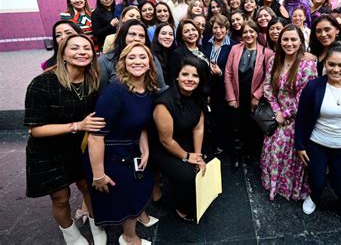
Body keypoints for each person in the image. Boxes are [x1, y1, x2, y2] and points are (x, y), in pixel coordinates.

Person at [25, 33, 107, 244]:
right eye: (75, 48)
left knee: (88, 188)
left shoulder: (93, 80)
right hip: (47, 151)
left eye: (86, 48)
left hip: (78, 148)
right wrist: (78, 126)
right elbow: (36, 130)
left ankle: (96, 225)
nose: (81, 52)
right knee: (61, 198)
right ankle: (70, 235)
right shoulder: (43, 83)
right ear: (63, 54)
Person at [85, 42, 159, 244]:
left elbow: (141, 123)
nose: (137, 61)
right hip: (110, 152)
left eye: (142, 57)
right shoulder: (116, 90)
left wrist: (145, 149)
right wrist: (98, 174)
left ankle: (139, 215)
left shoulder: (148, 88)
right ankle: (128, 237)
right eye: (131, 57)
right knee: (129, 193)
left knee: (144, 183)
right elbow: (95, 136)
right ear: (123, 62)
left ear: (150, 63)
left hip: (131, 147)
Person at [295, 44, 341, 229]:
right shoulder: (313, 87)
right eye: (331, 64)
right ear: (325, 64)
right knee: (318, 181)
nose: (336, 69)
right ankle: (313, 197)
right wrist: (300, 145)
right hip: (317, 144)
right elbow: (302, 118)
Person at [261, 24, 317, 201]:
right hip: (276, 115)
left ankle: (290, 188)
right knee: (273, 148)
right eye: (285, 39)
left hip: (296, 118)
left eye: (293, 39)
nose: (289, 43)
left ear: (301, 42)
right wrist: (277, 111)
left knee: (290, 151)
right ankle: (273, 184)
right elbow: (268, 87)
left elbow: (305, 98)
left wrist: (285, 114)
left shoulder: (307, 65)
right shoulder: (274, 60)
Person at [152, 57, 208, 221]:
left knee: (203, 162)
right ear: (177, 76)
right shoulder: (164, 104)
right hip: (163, 147)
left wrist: (198, 156)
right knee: (187, 175)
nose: (190, 79)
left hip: (183, 138)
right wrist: (187, 156)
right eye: (185, 74)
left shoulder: (197, 96)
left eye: (195, 76)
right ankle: (179, 206)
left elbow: (199, 128)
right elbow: (166, 141)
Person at [224, 20, 274, 168]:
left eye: (251, 31)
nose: (248, 34)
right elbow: (227, 74)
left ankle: (249, 155)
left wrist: (257, 96)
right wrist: (231, 97)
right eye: (245, 32)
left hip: (254, 98)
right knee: (236, 128)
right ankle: (237, 156)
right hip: (237, 96)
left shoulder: (267, 52)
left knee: (251, 129)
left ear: (257, 33)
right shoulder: (235, 49)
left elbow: (269, 78)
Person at [98, 19, 167, 93]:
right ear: (123, 36)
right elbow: (102, 93)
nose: (137, 39)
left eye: (141, 36)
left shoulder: (151, 58)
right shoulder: (104, 61)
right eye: (132, 34)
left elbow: (161, 88)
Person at [202, 15, 237, 152]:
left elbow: (234, 69)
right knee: (212, 117)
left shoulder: (233, 45)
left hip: (224, 87)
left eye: (221, 27)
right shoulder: (207, 42)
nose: (218, 30)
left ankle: (224, 145)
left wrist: (220, 72)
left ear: (227, 29)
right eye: (215, 27)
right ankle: (214, 143)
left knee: (224, 117)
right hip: (208, 87)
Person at [168, 19, 210, 85]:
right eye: (186, 31)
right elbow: (173, 80)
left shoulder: (201, 48)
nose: (191, 33)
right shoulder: (177, 53)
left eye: (193, 30)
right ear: (181, 36)